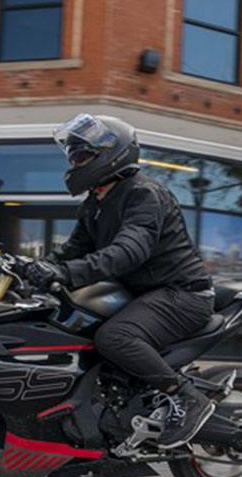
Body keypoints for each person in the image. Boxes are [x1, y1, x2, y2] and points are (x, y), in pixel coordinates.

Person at [24, 113, 215, 449]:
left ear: (113, 154)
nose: (74, 162)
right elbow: (71, 251)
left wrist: (65, 273)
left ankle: (185, 396)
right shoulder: (94, 204)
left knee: (114, 337)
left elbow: (129, 251)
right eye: (72, 156)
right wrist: (31, 268)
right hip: (143, 295)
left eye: (83, 155)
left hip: (182, 294)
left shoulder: (144, 194)